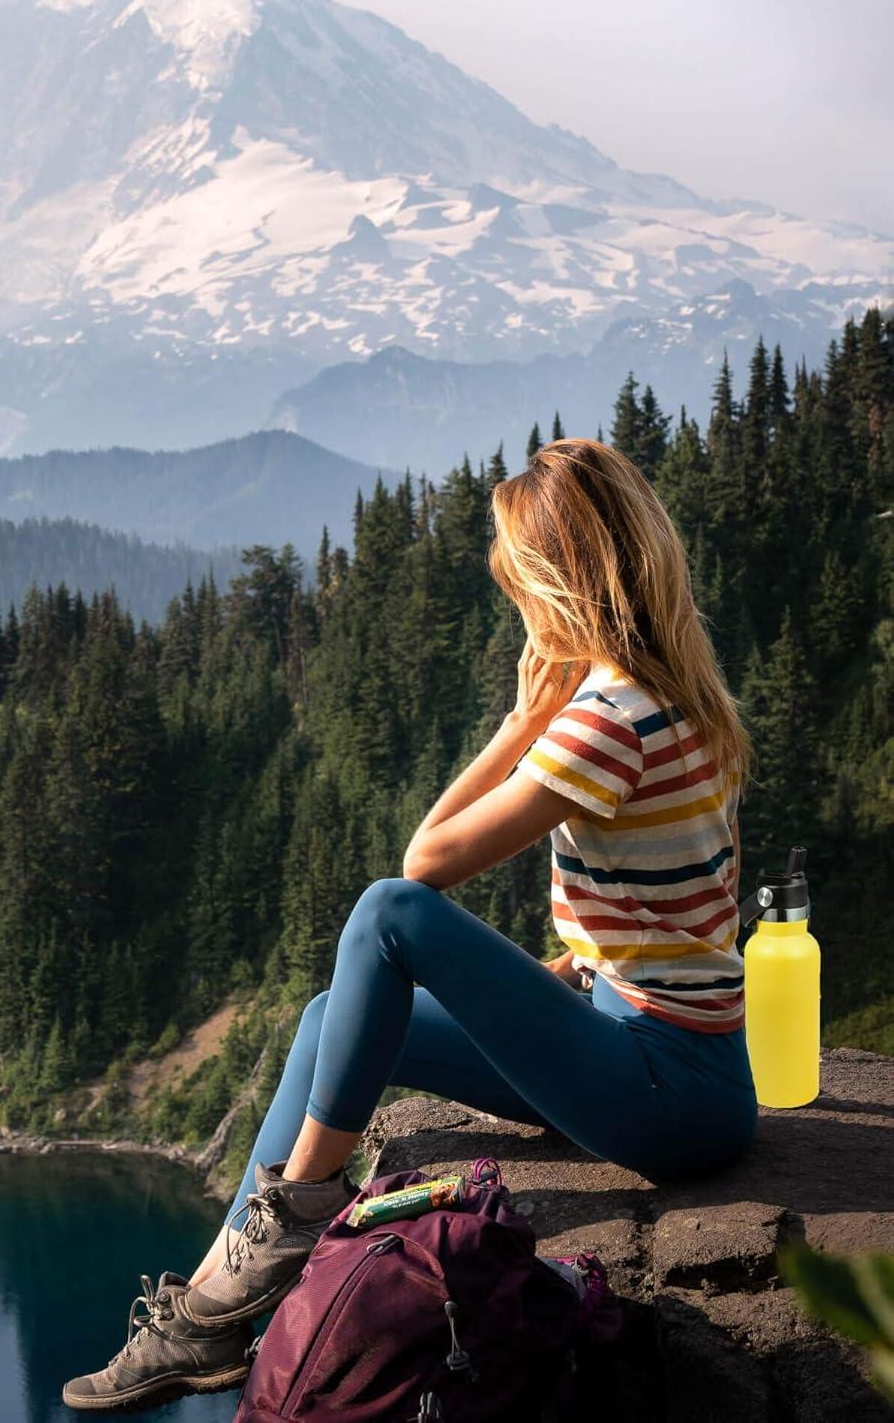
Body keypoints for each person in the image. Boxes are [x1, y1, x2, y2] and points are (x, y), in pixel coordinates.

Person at [61, 437, 760, 1413]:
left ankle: (279, 1244)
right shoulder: (674, 691)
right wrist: (576, 966)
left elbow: (420, 867)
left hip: (665, 1089)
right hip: (647, 1050)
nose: (509, 596)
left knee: (386, 917)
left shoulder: (608, 718)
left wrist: (520, 724)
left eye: (515, 577)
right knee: (324, 1017)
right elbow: (677, 903)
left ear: (552, 584)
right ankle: (213, 1317)